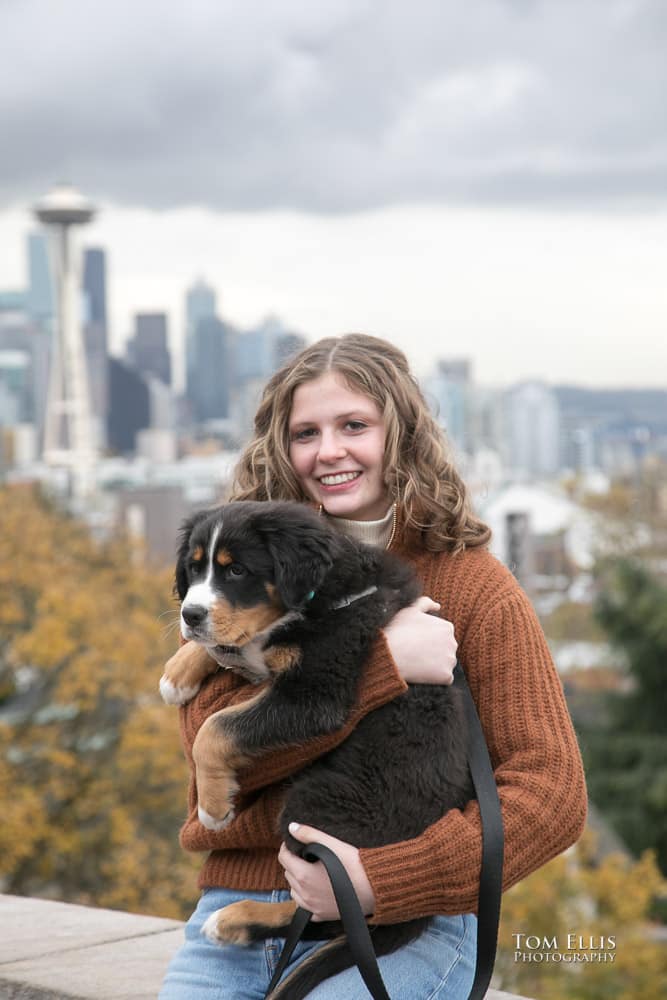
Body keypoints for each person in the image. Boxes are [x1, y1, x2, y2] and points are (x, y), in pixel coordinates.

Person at [159, 333, 587, 999]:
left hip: (407, 924)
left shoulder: (475, 587)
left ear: (400, 433)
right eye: (306, 433)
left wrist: (381, 881)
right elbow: (210, 756)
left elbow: (551, 793)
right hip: (234, 907)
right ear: (280, 447)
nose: (329, 450)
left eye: (354, 426)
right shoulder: (242, 571)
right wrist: (384, 665)